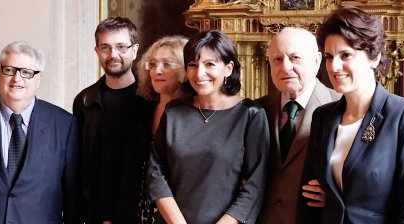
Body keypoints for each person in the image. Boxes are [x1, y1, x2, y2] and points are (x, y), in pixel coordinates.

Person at [305, 7, 404, 223]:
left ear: (374, 57)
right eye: (329, 57)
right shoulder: (322, 117)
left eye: (346, 55)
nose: (334, 66)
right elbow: (310, 198)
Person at [146, 30, 269, 224]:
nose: (199, 73)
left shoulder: (250, 114)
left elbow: (256, 185)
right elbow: (156, 173)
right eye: (192, 65)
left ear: (228, 68)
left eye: (209, 64)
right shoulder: (173, 112)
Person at [0, 41, 79, 223]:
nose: (17, 79)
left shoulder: (64, 124)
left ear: (38, 79)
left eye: (26, 73)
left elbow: (72, 197)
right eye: (9, 70)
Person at [73, 16, 154, 223]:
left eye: (121, 47)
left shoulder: (152, 101)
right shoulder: (84, 101)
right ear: (97, 51)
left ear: (135, 50)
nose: (113, 55)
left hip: (141, 215)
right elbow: (81, 165)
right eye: (105, 47)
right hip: (95, 214)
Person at [256, 27, 340, 224]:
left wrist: (337, 194)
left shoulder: (341, 107)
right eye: (277, 59)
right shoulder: (257, 110)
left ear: (317, 61)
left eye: (295, 58)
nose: (285, 67)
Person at [136, 35, 189, 223]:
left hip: (180, 212)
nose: (157, 71)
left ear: (186, 70)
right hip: (139, 209)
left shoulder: (195, 114)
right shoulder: (141, 110)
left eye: (167, 64)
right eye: (152, 64)